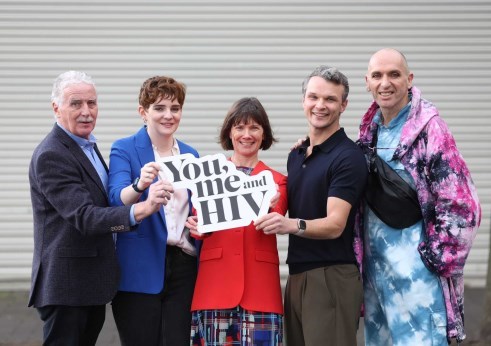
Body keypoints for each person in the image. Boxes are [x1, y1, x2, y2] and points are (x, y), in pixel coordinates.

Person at [28, 71, 171, 345]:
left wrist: (138, 187)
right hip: (67, 289)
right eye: (76, 104)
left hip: (88, 285)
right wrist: (141, 210)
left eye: (92, 103)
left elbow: (104, 202)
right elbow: (85, 217)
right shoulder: (52, 154)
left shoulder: (86, 146)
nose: (86, 112)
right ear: (56, 108)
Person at [356, 48, 481, 345]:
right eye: (377, 75)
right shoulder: (369, 134)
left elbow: (463, 206)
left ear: (409, 79)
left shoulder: (430, 129)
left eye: (394, 74)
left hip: (418, 280)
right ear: (367, 82)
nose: (385, 83)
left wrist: (435, 259)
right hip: (377, 279)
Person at [255, 66, 368, 346]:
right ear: (303, 100)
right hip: (297, 274)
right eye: (313, 97)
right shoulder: (297, 155)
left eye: (330, 99)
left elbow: (334, 224)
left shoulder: (348, 157)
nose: (320, 105)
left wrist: (289, 224)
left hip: (332, 276)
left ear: (343, 105)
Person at [187, 97, 288, 345]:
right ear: (229, 132)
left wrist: (271, 203)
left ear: (264, 134)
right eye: (240, 127)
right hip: (214, 288)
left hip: (261, 291)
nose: (247, 134)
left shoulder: (277, 181)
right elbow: (198, 220)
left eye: (254, 127)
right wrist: (199, 228)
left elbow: (277, 214)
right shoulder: (208, 176)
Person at [107, 75, 199, 346]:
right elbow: (116, 199)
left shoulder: (191, 155)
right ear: (143, 112)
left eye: (175, 108)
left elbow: (199, 205)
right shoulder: (124, 148)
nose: (168, 115)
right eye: (159, 108)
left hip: (184, 265)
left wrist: (198, 221)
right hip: (140, 265)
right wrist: (140, 185)